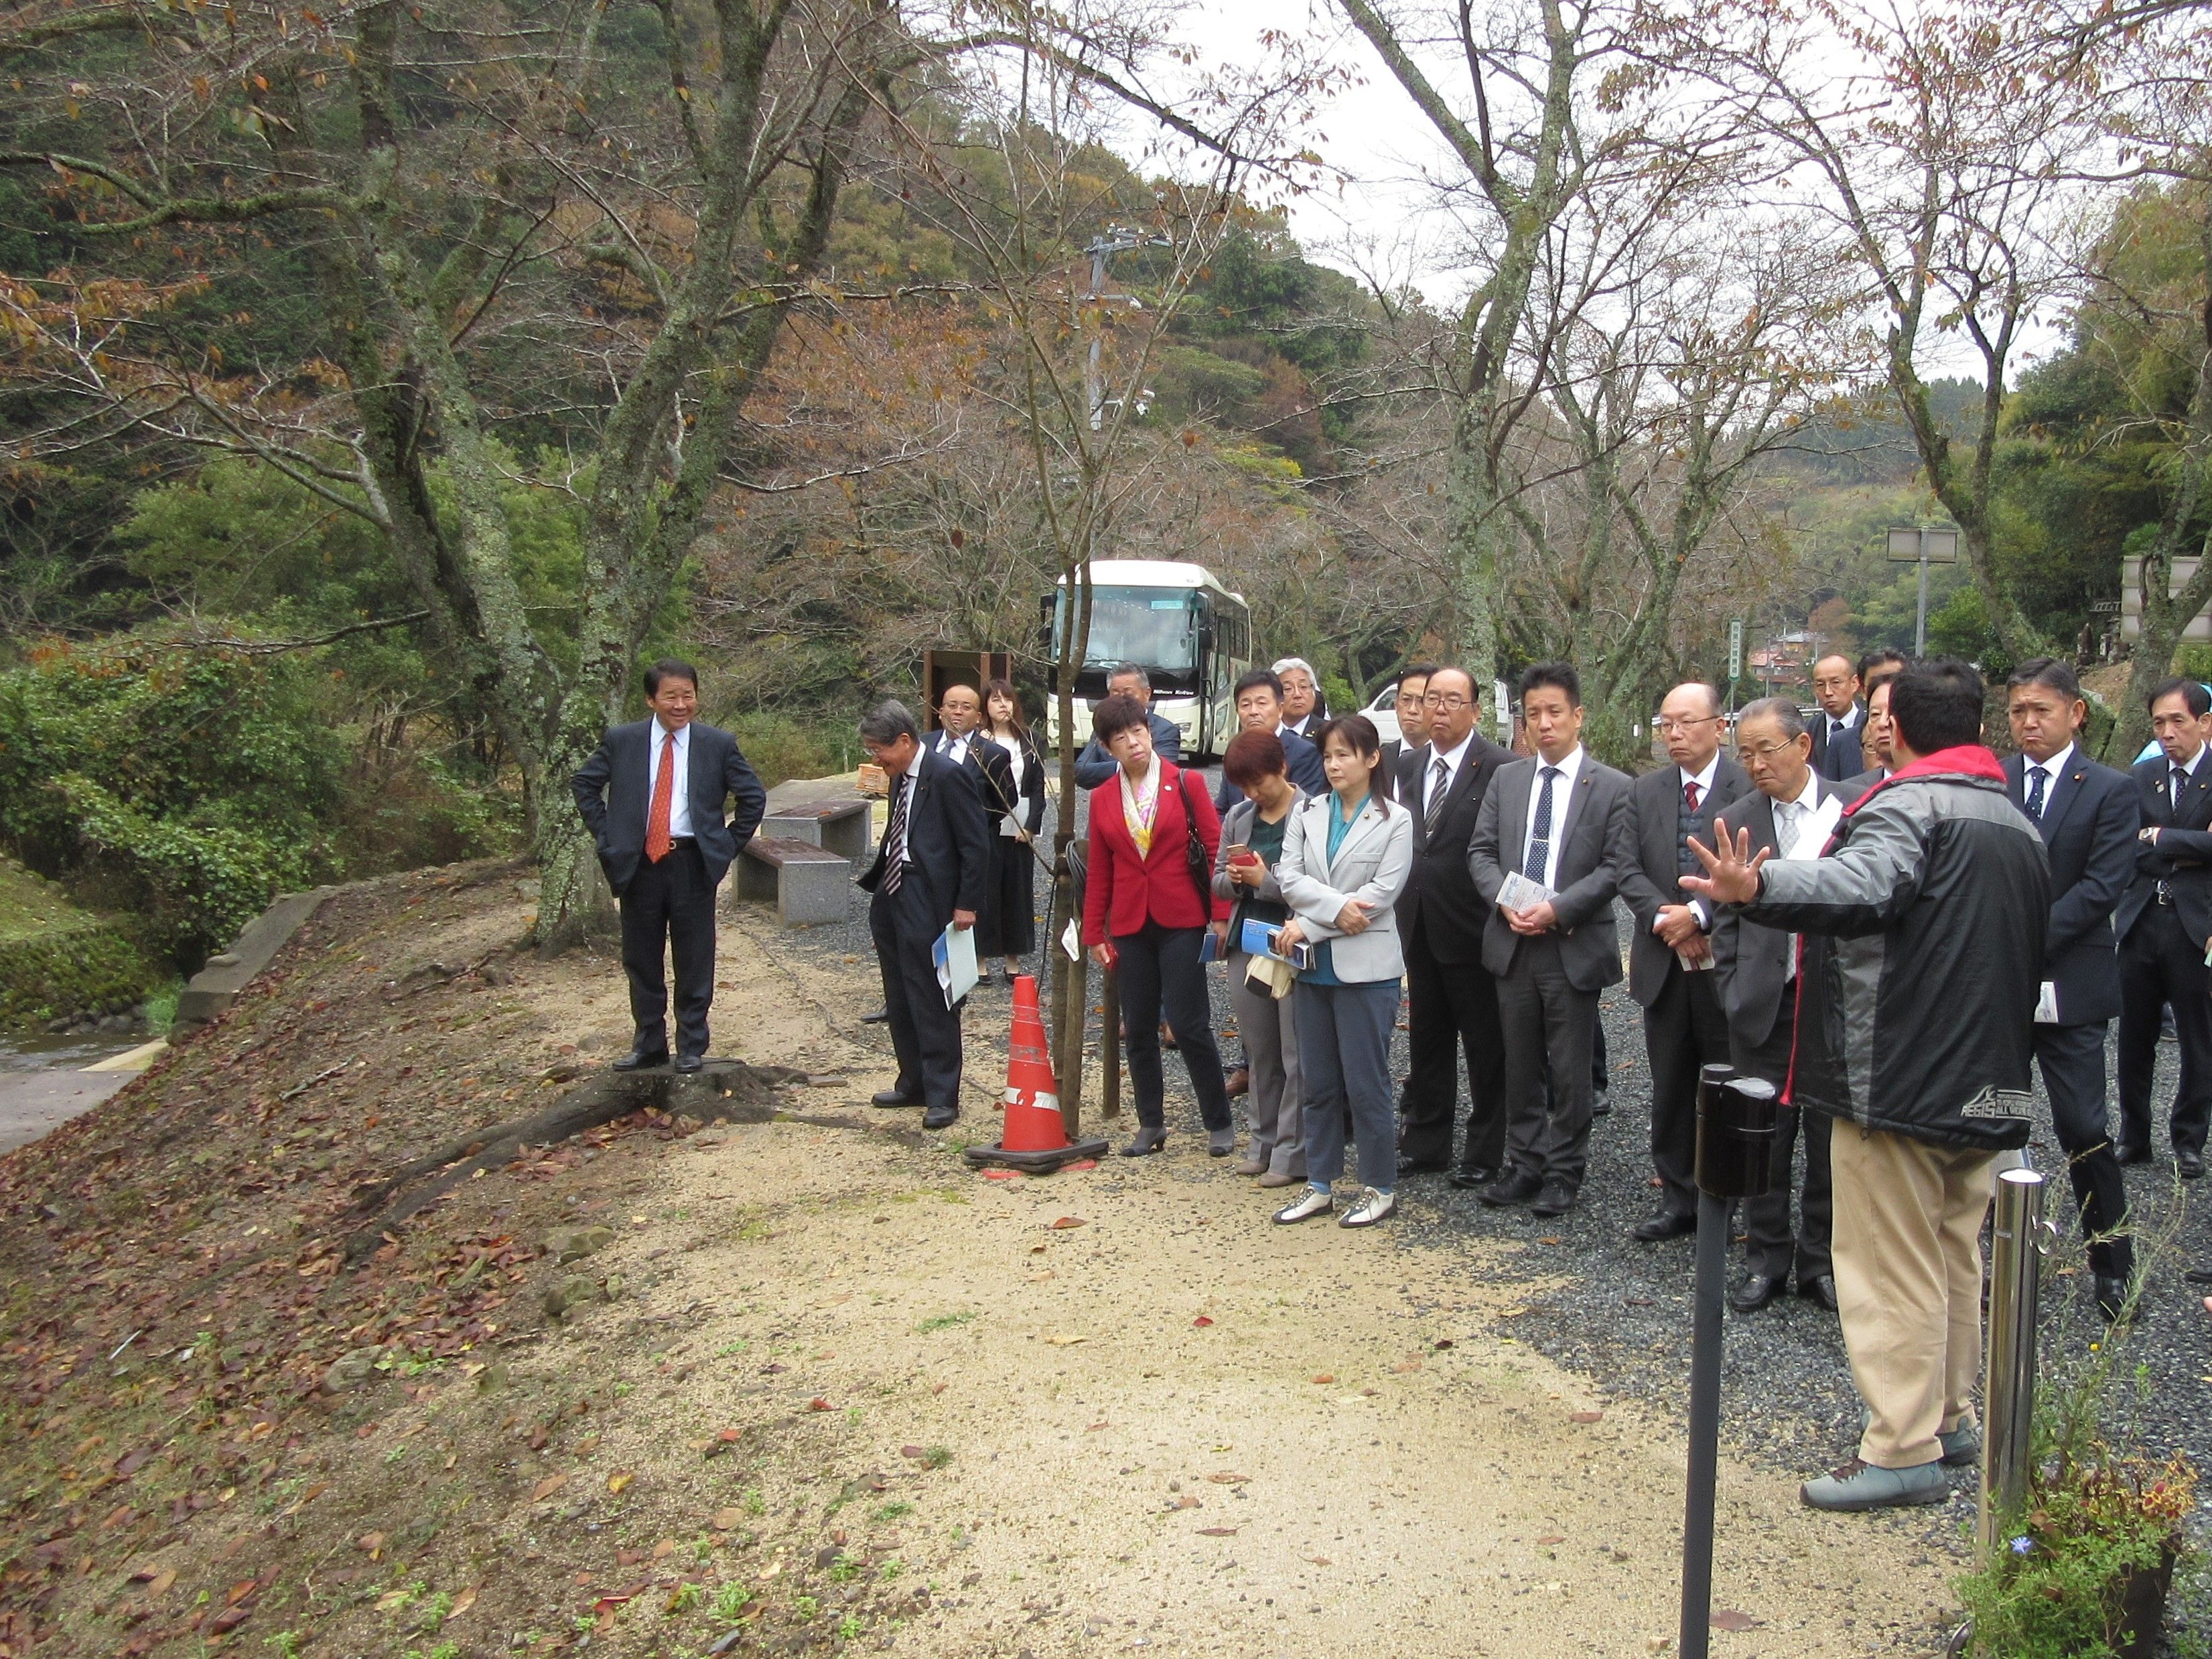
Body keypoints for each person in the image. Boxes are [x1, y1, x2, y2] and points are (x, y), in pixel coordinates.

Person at [1685, 657, 2049, 1514]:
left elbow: (1861, 884)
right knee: (1951, 1253)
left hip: (1897, 1078)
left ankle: (1899, 1445)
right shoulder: (2016, 822)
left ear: (1897, 729)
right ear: (1979, 727)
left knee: (1888, 1264)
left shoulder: (1905, 807)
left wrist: (1757, 883)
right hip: (1988, 1080)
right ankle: (1948, 1416)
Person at [1466, 662, 1633, 1220]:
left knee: (1569, 1067)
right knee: (1519, 1062)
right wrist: (1506, 900)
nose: (1543, 723)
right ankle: (1525, 1163)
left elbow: (1615, 866)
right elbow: (1481, 852)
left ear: (1578, 715)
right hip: (1513, 940)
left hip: (1571, 940)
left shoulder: (1613, 786)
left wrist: (1558, 908)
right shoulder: (1508, 779)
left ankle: (1564, 1172)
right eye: (1533, 713)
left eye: (1554, 712)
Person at [2003, 658, 2137, 1319]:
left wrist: (2024, 937)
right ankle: (1995, 1261)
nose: (2028, 722)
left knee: (2083, 1124)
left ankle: (2112, 1264)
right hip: (1998, 985)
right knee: (1990, 1119)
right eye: (2017, 711)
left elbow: (2101, 887)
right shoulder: (1993, 780)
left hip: (2068, 981)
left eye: (2041, 710)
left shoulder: (2109, 789)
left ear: (2075, 712)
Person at [1708, 698, 1841, 1313]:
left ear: (1803, 745)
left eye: (1768, 750)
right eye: (1746, 754)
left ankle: (1822, 1259)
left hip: (1830, 1001)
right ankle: (1766, 1257)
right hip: (1763, 999)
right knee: (1762, 1134)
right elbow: (1725, 917)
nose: (1757, 764)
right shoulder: (1736, 818)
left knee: (1829, 1138)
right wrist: (1732, 988)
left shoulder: (1850, 810)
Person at [571, 659, 767, 1074]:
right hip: (638, 862)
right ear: (651, 699)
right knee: (641, 957)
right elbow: (585, 784)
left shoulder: (717, 743)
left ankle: (692, 1044)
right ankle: (649, 1044)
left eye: (688, 696)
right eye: (671, 696)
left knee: (694, 957)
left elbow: (753, 797)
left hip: (693, 862)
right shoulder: (624, 740)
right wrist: (609, 837)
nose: (681, 705)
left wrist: (725, 845)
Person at [1269, 715, 1416, 1228]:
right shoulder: (1307, 810)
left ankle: (1379, 1186)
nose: (1333, 765)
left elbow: (1381, 894)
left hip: (1367, 969)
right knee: (1318, 1083)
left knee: (1366, 1082)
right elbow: (1288, 876)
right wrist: (1329, 915)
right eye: (1328, 755)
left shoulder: (1396, 819)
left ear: (1371, 758)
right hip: (1314, 968)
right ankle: (1320, 1182)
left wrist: (1310, 923)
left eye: (1344, 755)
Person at [1618, 682, 1751, 1241]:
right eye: (1665, 723)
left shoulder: (1747, 786)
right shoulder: (1644, 789)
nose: (1674, 733)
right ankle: (1677, 1196)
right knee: (1670, 1086)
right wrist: (1669, 922)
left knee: (1730, 1084)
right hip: (1664, 962)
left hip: (1727, 964)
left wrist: (1699, 916)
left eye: (1686, 722)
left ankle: (1728, 1198)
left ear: (1720, 726)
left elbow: (1760, 868)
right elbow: (1626, 867)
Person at [1081, 693, 1236, 1158]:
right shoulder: (1103, 797)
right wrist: (1094, 932)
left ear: (1150, 732)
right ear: (1107, 747)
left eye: (1138, 731)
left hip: (1181, 916)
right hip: (1130, 921)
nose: (1133, 742)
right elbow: (1101, 868)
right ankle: (1151, 1122)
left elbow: (1215, 849)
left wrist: (1221, 914)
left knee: (1189, 1024)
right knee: (1139, 1026)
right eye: (1121, 737)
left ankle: (1218, 1121)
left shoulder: (1186, 782)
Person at [1393, 667, 1515, 1186]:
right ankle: (1427, 1142)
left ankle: (1485, 1150)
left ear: (1475, 710)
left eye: (1451, 700)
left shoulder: (1502, 768)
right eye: (1430, 699)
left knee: (1486, 1045)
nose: (1438, 709)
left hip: (1474, 924)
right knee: (1427, 1038)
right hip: (1419, 921)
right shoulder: (1408, 765)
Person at [856, 701, 992, 1131]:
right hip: (894, 888)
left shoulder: (948, 775)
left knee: (934, 994)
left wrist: (967, 904)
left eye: (879, 749)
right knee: (898, 993)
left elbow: (975, 844)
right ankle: (912, 1081)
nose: (876, 759)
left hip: (930, 894)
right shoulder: (899, 776)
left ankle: (941, 1093)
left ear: (904, 741)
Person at [2116, 676, 2212, 1179]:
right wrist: (2191, 844)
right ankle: (2134, 1136)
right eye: (2159, 723)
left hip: (2197, 925)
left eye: (2178, 721)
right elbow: (2125, 845)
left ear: (2205, 722)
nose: (2167, 732)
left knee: (2199, 1040)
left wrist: (2159, 836)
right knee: (2134, 1037)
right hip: (2141, 919)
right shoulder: (2141, 776)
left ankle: (2189, 1140)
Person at [1211, 730, 1310, 1187]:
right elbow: (1216, 880)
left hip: (1292, 940)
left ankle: (1292, 1154)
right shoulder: (1239, 816)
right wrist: (1235, 878)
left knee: (1296, 1053)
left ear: (1282, 769)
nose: (1253, 793)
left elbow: (1314, 888)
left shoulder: (1312, 812)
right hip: (1248, 939)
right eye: (1244, 785)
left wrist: (1264, 881)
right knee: (1260, 1050)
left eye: (1259, 782)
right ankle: (1261, 1143)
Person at [930, 683, 1016, 982]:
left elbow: (1005, 801)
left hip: (968, 849)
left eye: (966, 707)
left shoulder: (992, 754)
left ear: (979, 717)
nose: (957, 712)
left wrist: (973, 826)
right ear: (940, 710)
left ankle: (961, 980)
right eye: (951, 705)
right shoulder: (924, 745)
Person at [981, 678, 1047, 980]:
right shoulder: (977, 740)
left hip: (1020, 824)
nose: (1002, 705)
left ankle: (1012, 960)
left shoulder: (1031, 740)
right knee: (986, 891)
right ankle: (980, 959)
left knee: (1017, 893)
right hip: (986, 824)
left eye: (1007, 699)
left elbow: (1037, 787)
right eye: (995, 700)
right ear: (985, 705)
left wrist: (1032, 825)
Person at [1214, 669, 1327, 806]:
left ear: (1280, 709)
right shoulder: (1236, 751)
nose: (1253, 712)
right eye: (1245, 705)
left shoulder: (1305, 754)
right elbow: (1221, 808)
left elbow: (1304, 808)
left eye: (1262, 703)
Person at [1073, 666, 1182, 789]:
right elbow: (1081, 772)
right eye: (1116, 694)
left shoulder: (1165, 730)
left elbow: (1158, 771)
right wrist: (1123, 766)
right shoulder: (1105, 729)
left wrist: (1119, 767)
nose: (1122, 699)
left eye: (1128, 693)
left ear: (1147, 694)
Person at [1807, 654, 1865, 782]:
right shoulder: (1808, 731)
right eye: (1820, 685)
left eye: (1836, 683)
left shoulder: (1870, 729)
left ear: (1854, 683)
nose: (1828, 692)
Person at [1840, 676, 1896, 796]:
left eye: (1892, 712)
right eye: (1875, 714)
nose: (1882, 723)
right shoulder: (1847, 794)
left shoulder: (1934, 786)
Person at [1379, 665, 1437, 776]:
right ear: (1396, 704)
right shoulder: (1378, 762)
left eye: (1422, 701)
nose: (1412, 710)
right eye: (1406, 700)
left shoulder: (1450, 763)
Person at [1274, 657, 1326, 739]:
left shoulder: (1329, 733)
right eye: (1288, 688)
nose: (1297, 695)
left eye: (1303, 687)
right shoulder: (1265, 734)